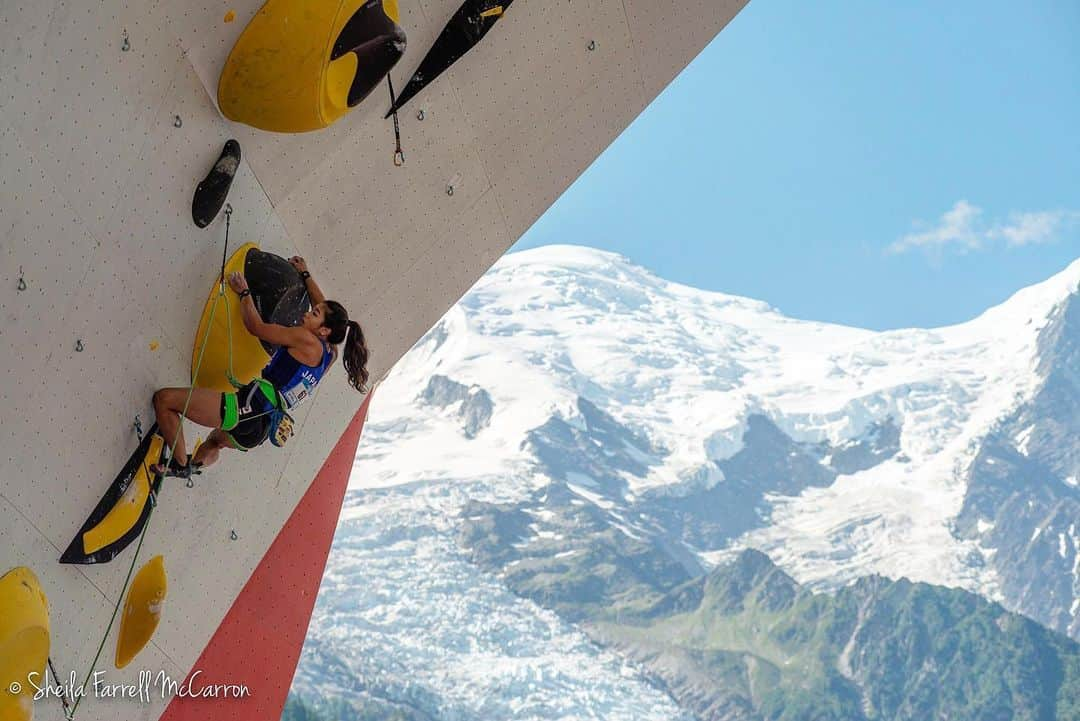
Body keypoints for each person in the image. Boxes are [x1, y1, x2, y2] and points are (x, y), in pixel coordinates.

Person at [151, 257, 368, 476]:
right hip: (261, 429)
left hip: (246, 408)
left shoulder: (304, 338)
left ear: (324, 331)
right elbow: (324, 307)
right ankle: (195, 465)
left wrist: (244, 293)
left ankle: (179, 465)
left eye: (313, 314)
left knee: (164, 400)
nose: (306, 312)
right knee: (216, 441)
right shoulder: (330, 354)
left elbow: (256, 327)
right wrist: (305, 274)